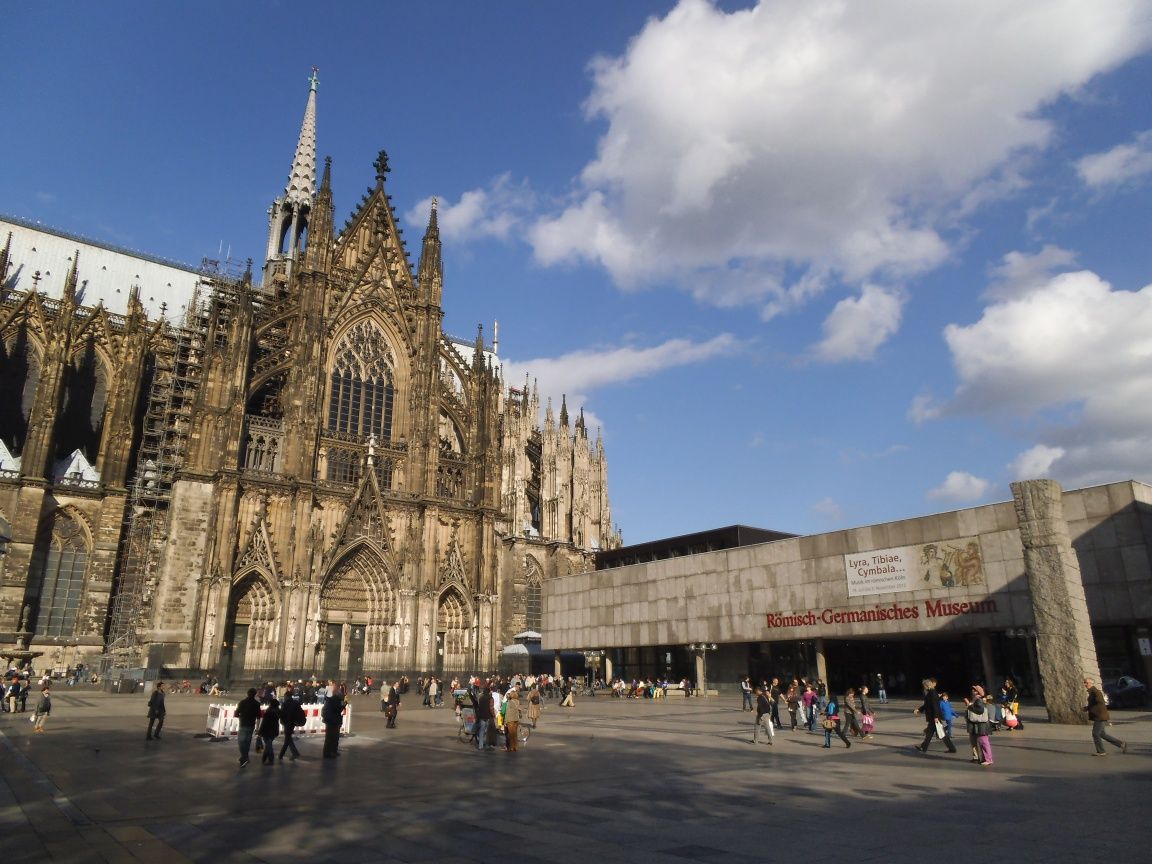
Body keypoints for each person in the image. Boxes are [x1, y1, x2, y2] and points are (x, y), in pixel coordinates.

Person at [1084, 677, 1127, 756]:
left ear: (1091, 683)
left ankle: (1101, 751)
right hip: (1100, 716)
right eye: (1084, 683)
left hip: (1100, 716)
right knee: (1102, 734)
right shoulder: (1092, 692)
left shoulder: (1095, 692)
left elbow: (1100, 702)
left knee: (1095, 733)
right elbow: (1094, 703)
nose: (1085, 684)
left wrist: (1092, 708)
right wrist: (1087, 708)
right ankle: (1121, 744)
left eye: (1086, 683)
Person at [914, 677, 956, 754]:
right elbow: (927, 705)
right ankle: (923, 747)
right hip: (933, 717)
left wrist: (936, 716)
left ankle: (924, 747)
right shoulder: (930, 693)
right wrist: (919, 709)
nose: (924, 687)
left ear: (927, 685)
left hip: (934, 717)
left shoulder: (932, 693)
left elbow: (935, 706)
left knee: (941, 734)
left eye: (924, 686)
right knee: (931, 734)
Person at [963, 685, 994, 766]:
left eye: (974, 690)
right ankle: (979, 758)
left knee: (984, 742)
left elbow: (980, 710)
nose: (972, 691)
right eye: (973, 690)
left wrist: (969, 705)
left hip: (981, 725)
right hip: (975, 724)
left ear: (978, 692)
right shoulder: (975, 699)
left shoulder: (978, 700)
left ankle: (988, 759)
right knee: (976, 741)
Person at [235, 687, 262, 767]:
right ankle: (245, 756)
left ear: (247, 693)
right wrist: (257, 728)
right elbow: (258, 717)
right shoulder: (257, 704)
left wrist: (241, 717)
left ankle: (244, 757)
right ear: (255, 694)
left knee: (241, 742)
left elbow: (236, 714)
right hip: (251, 725)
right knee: (247, 742)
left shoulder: (242, 702)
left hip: (243, 724)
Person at [279, 685, 306, 761]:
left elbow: (282, 714)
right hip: (293, 723)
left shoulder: (285, 704)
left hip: (287, 723)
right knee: (288, 738)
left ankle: (285, 754)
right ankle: (291, 754)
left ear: (286, 696)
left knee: (287, 739)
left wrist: (282, 722)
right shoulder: (296, 703)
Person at [322, 682, 345, 758]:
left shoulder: (330, 699)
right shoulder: (334, 699)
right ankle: (328, 753)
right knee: (332, 737)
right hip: (333, 720)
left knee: (332, 737)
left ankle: (331, 752)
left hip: (331, 720)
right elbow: (338, 709)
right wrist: (343, 704)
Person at [258, 697, 282, 765]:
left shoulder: (269, 711)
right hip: (274, 730)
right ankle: (264, 757)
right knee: (268, 744)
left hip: (267, 730)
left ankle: (271, 759)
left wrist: (260, 731)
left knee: (268, 745)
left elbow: (264, 722)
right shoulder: (278, 711)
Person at [470, 684, 494, 751]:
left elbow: (479, 706)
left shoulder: (481, 698)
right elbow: (491, 708)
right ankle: (487, 745)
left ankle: (480, 746)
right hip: (488, 716)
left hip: (482, 716)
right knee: (487, 731)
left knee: (482, 731)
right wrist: (493, 715)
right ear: (489, 691)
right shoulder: (491, 698)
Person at [503, 687, 522, 752]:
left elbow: (507, 712)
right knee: (515, 734)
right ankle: (515, 747)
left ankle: (511, 747)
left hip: (510, 720)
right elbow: (520, 709)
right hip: (516, 719)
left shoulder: (510, 702)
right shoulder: (518, 701)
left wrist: (505, 721)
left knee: (510, 735)